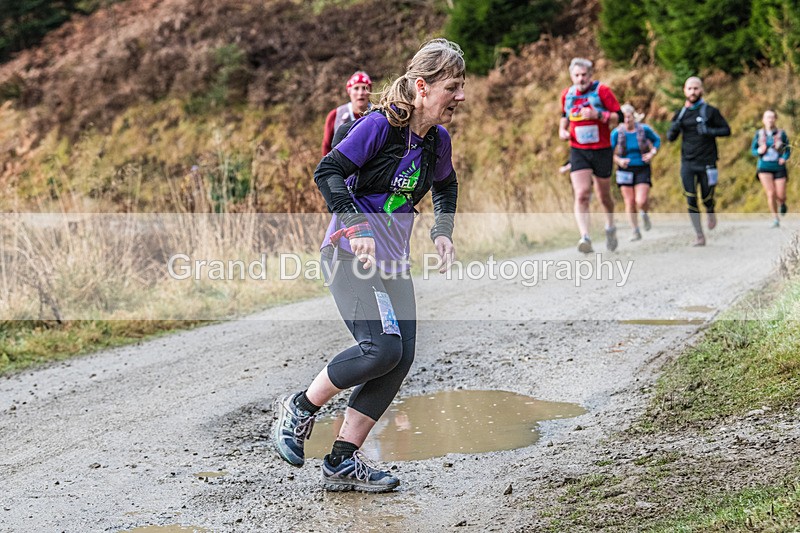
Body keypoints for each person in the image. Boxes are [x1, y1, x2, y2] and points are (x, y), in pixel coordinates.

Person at [273, 39, 464, 493]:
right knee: (380, 349)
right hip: (347, 254)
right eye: (452, 87)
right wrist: (357, 226)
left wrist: (442, 231)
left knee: (400, 357)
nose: (460, 96)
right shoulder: (379, 126)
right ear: (422, 87)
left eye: (462, 86)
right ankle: (299, 407)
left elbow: (446, 185)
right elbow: (327, 171)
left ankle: (342, 460)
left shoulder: (437, 141)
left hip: (392, 262)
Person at [559, 57, 623, 253]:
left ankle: (610, 227)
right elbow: (564, 116)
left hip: (602, 149)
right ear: (571, 76)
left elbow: (619, 117)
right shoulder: (567, 95)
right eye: (577, 75)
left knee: (604, 196)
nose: (581, 79)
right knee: (582, 194)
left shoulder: (602, 91)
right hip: (579, 150)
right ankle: (585, 237)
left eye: (584, 75)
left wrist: (598, 115)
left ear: (591, 75)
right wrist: (562, 130)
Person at [667, 76, 731, 246]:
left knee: (707, 196)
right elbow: (670, 137)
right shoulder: (681, 114)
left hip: (708, 161)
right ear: (684, 91)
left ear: (701, 90)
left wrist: (709, 131)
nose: (693, 92)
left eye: (696, 88)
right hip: (688, 162)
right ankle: (699, 235)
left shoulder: (710, 111)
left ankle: (710, 209)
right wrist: (675, 127)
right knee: (690, 198)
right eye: (690, 89)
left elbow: (726, 130)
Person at [611, 104, 661, 241]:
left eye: (629, 117)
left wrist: (651, 153)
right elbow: (609, 151)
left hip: (642, 167)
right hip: (625, 169)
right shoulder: (616, 133)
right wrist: (618, 160)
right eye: (624, 118)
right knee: (629, 201)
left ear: (634, 117)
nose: (627, 120)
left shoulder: (644, 129)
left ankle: (644, 213)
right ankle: (635, 230)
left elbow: (657, 140)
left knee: (641, 200)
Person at [751, 109, 791, 227]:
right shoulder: (759, 134)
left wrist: (784, 158)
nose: (770, 120)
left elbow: (787, 149)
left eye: (772, 117)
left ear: (775, 119)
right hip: (764, 167)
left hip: (778, 166)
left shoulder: (781, 133)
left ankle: (782, 203)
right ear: (763, 120)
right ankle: (775, 218)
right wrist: (759, 151)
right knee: (771, 193)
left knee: (781, 195)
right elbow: (753, 150)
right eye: (767, 117)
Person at [321, 71, 372, 156]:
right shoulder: (335, 115)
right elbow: (327, 147)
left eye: (364, 88)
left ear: (370, 91)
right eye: (356, 88)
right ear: (349, 91)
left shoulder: (379, 114)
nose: (360, 93)